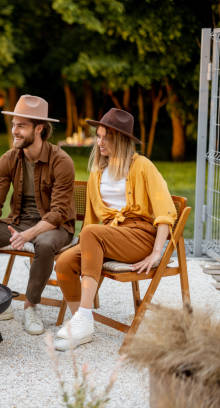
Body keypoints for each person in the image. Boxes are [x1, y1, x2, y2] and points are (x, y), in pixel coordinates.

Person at [53, 108, 176, 351]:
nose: (99, 142)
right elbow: (90, 220)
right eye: (97, 136)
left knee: (90, 234)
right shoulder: (97, 173)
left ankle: (84, 317)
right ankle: (82, 322)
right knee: (64, 262)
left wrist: (156, 253)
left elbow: (165, 211)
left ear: (120, 139)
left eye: (105, 137)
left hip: (140, 236)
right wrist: (81, 246)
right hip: (110, 236)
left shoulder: (142, 166)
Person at [0, 95, 75, 335]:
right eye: (13, 125)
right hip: (18, 222)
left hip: (56, 227)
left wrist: (28, 234)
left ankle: (31, 306)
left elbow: (58, 213)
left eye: (21, 125)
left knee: (43, 243)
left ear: (39, 128)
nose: (14, 131)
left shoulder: (61, 161)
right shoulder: (9, 159)